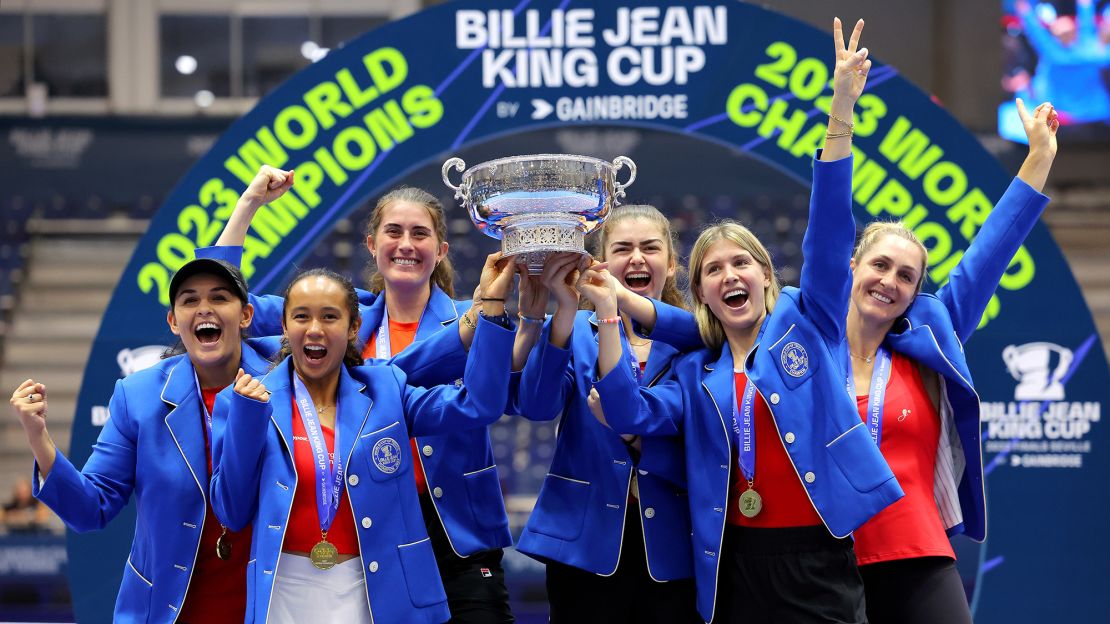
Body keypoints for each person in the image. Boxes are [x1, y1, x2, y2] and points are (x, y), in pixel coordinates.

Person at [586, 19, 901, 623]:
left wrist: (841, 109)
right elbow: (629, 414)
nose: (730, 276)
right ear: (700, 290)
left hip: (817, 555)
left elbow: (831, 230)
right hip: (731, 560)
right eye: (714, 270)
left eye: (743, 263)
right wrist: (606, 314)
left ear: (765, 276)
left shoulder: (811, 325)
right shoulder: (693, 371)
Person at [208, 177, 530, 622]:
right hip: (369, 519)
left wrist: (504, 312)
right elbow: (223, 300)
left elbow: (488, 400)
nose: (406, 244)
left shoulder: (475, 316)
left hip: (457, 525)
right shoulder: (339, 313)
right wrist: (247, 204)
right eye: (393, 232)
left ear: (441, 250)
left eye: (420, 234)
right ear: (371, 243)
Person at [846, 98, 1057, 623]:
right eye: (879, 265)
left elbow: (990, 253)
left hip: (920, 554)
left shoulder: (929, 336)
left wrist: (1038, 157)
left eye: (905, 276)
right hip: (828, 559)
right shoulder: (803, 348)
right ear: (851, 267)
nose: (889, 281)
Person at [8, 257, 270, 623]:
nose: (204, 308)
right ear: (173, 322)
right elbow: (91, 508)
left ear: (245, 315)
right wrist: (38, 437)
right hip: (165, 612)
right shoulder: (139, 395)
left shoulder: (285, 379)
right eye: (190, 300)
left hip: (267, 609)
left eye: (220, 297)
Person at [514, 205, 699, 623]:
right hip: (582, 540)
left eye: (650, 248)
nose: (636, 258)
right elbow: (537, 406)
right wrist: (563, 309)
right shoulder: (575, 330)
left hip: (671, 542)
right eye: (623, 248)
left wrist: (634, 438)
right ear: (602, 262)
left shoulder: (696, 340)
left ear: (670, 265)